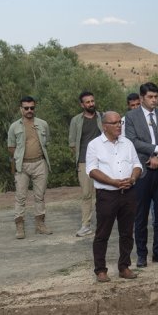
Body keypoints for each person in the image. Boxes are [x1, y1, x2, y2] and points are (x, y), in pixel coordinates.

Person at [86, 111, 142, 282]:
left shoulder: (127, 143)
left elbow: (137, 164)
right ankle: (100, 270)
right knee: (103, 233)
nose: (119, 125)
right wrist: (113, 182)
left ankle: (124, 266)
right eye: (114, 123)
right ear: (105, 126)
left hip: (128, 192)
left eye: (120, 122)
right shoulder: (94, 145)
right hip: (107, 195)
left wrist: (132, 178)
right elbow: (92, 170)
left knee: (127, 232)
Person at [124, 83, 158, 266]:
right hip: (143, 171)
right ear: (142, 98)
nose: (154, 100)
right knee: (141, 216)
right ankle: (141, 254)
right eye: (150, 97)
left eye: (156, 96)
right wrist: (155, 150)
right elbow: (132, 141)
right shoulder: (131, 117)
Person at [7, 96, 52, 239]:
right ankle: (20, 227)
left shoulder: (43, 124)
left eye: (32, 108)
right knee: (20, 196)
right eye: (26, 108)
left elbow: (47, 141)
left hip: (40, 163)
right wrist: (20, 158)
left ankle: (40, 225)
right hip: (22, 165)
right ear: (21, 109)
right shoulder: (14, 126)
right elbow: (11, 146)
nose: (29, 110)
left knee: (40, 196)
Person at [68, 91, 103, 237]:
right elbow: (72, 143)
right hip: (84, 162)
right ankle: (86, 225)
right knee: (86, 194)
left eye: (92, 101)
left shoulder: (102, 117)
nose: (91, 104)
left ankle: (103, 223)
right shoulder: (76, 120)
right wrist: (83, 156)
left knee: (104, 194)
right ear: (82, 105)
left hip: (103, 161)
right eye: (87, 102)